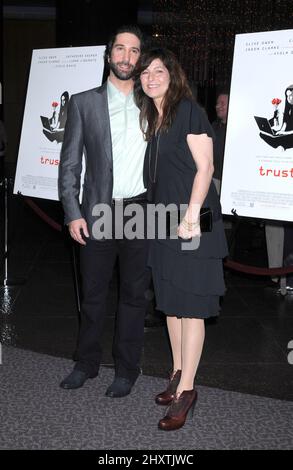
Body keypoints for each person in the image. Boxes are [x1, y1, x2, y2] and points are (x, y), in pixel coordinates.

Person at [134, 48, 228, 430]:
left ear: (173, 76)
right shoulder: (153, 118)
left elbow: (205, 166)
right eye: (145, 72)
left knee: (190, 305)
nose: (151, 77)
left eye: (159, 71)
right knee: (171, 303)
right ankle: (177, 373)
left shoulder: (188, 110)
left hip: (194, 218)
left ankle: (188, 390)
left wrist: (191, 216)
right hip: (163, 220)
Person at [58, 25, 150, 398]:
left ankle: (127, 368)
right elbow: (69, 166)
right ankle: (86, 362)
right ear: (108, 55)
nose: (127, 57)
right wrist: (72, 212)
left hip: (142, 210)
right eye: (120, 49)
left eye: (134, 51)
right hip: (96, 211)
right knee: (93, 294)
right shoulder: (83, 103)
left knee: (133, 295)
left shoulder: (154, 102)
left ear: (140, 58)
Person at [211, 92, 229, 194]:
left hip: (227, 178)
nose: (218, 106)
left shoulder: (236, 127)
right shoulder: (214, 126)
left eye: (222, 103)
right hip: (213, 176)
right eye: (217, 103)